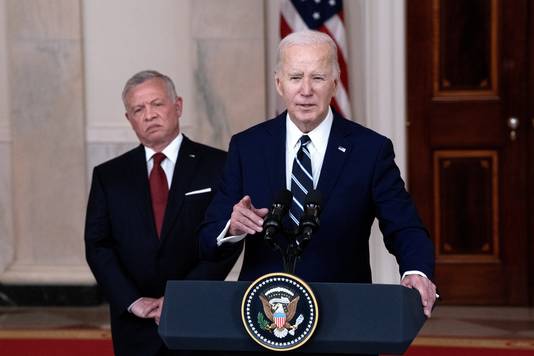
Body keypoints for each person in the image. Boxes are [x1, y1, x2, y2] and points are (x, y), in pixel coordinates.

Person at [199, 30, 437, 319]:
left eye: (318, 77)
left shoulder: (370, 150)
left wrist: (416, 270)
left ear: (335, 83)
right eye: (295, 77)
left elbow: (404, 225)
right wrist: (231, 229)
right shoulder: (247, 146)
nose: (306, 90)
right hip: (265, 317)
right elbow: (209, 238)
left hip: (344, 313)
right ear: (279, 83)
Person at [85, 70, 237, 356]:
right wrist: (132, 301)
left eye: (157, 104)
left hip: (196, 313)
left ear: (177, 106)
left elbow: (226, 242)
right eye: (138, 109)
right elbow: (97, 246)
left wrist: (181, 297)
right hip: (134, 323)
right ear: (129, 120)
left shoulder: (218, 165)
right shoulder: (109, 176)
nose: (149, 115)